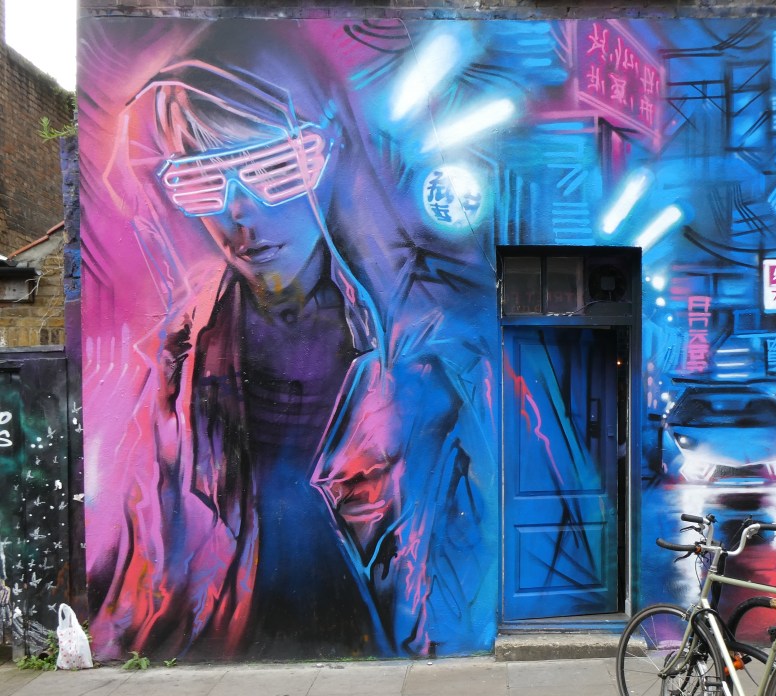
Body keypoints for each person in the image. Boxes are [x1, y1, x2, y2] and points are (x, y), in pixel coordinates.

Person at [88, 31, 495, 661]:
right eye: (202, 182)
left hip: (388, 645)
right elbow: (143, 558)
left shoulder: (419, 344)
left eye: (275, 167)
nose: (240, 212)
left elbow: (461, 545)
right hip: (229, 645)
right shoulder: (177, 360)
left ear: (332, 154)